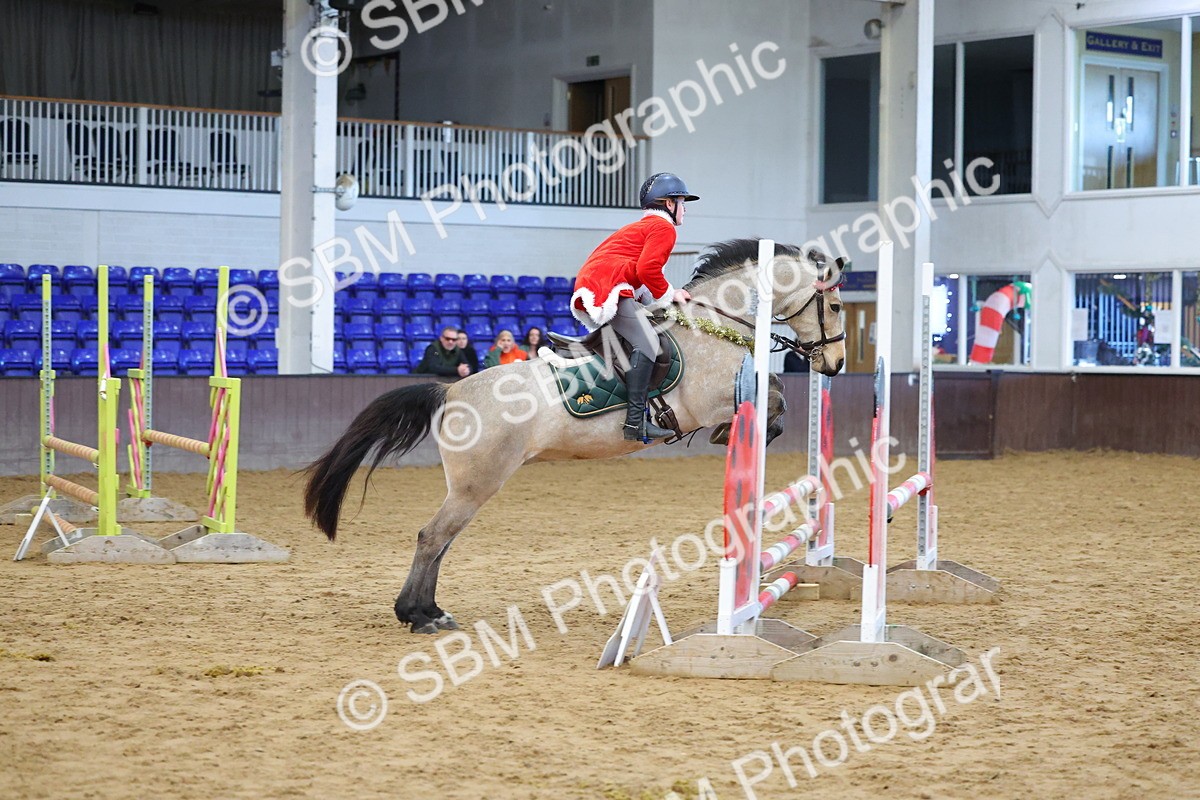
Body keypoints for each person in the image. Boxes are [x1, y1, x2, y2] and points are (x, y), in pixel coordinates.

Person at [570, 172, 699, 442]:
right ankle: (635, 422)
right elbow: (648, 269)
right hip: (608, 284)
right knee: (649, 344)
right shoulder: (664, 228)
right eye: (682, 202)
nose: (685, 209)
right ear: (668, 203)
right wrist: (669, 294)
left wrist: (658, 296)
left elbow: (639, 273)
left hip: (606, 280)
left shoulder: (646, 226)